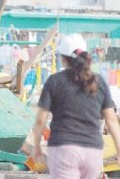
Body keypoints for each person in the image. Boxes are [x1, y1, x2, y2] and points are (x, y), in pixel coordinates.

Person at [32, 34, 120, 179]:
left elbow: (41, 120)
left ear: (64, 59)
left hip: (64, 148)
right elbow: (111, 119)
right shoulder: (99, 82)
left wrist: (36, 147)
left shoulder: (54, 81)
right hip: (93, 151)